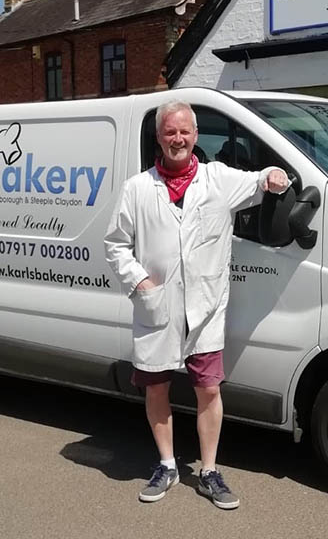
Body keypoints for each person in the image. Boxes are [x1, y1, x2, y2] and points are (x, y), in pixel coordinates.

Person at [104, 100, 289, 510]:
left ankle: (208, 471)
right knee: (156, 387)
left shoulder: (217, 179)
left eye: (184, 131)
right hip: (159, 306)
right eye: (170, 132)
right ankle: (167, 465)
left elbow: (259, 180)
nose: (178, 139)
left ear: (195, 136)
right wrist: (140, 280)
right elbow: (115, 244)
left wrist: (273, 176)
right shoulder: (137, 188)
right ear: (159, 137)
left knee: (208, 389)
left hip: (205, 310)